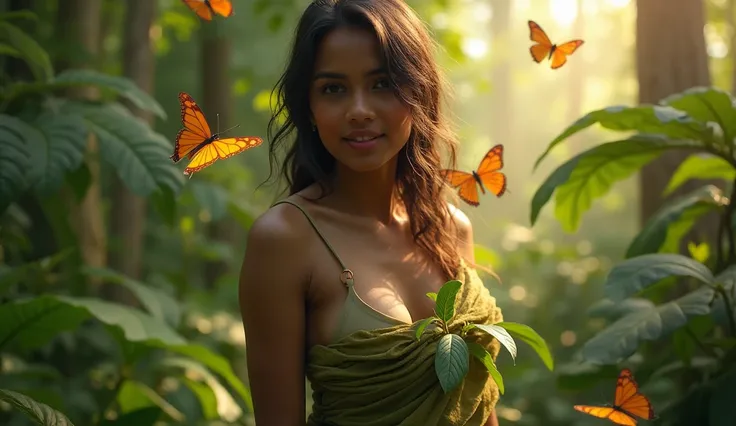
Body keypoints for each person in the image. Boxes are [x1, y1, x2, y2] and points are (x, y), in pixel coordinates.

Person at [238, 0, 504, 424]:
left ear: (418, 92)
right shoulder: (285, 239)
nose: (359, 110)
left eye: (382, 84)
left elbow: (477, 404)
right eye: (334, 88)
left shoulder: (451, 228)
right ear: (309, 106)